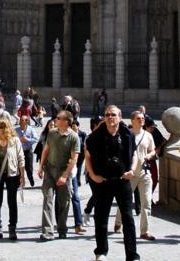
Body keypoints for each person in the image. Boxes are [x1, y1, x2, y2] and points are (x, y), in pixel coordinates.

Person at [85, 105, 139, 261]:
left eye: (113, 115)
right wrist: (93, 175)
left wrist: (133, 170)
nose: (110, 117)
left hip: (122, 181)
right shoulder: (95, 137)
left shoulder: (127, 134)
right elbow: (87, 156)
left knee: (128, 218)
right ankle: (101, 251)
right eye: (107, 115)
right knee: (101, 218)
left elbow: (134, 154)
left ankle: (132, 254)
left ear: (120, 117)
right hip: (103, 182)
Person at [37, 110, 80, 240]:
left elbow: (74, 159)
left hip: (64, 171)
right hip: (50, 170)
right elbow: (46, 150)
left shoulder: (74, 137)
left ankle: (62, 228)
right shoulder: (51, 133)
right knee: (47, 199)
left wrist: (65, 176)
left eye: (59, 118)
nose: (56, 119)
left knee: (63, 202)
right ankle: (48, 232)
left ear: (66, 121)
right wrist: (41, 167)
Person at [114, 111, 156, 240]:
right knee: (124, 201)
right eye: (138, 118)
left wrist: (150, 154)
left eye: (142, 118)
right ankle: (118, 223)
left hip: (144, 173)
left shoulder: (148, 135)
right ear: (132, 120)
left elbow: (153, 149)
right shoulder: (127, 135)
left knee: (146, 202)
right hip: (130, 174)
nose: (141, 120)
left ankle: (145, 231)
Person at [0, 119, 25, 240]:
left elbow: (21, 158)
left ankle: (12, 228)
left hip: (12, 175)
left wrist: (22, 176)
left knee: (12, 202)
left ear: (4, 128)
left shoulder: (15, 141)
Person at [15, 115, 37, 187]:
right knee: (19, 167)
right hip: (19, 152)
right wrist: (19, 140)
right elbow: (12, 139)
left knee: (29, 168)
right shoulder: (16, 130)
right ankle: (19, 182)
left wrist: (27, 140)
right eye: (20, 120)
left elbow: (35, 139)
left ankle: (30, 178)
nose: (20, 121)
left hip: (28, 151)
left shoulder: (31, 129)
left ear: (26, 121)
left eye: (22, 120)